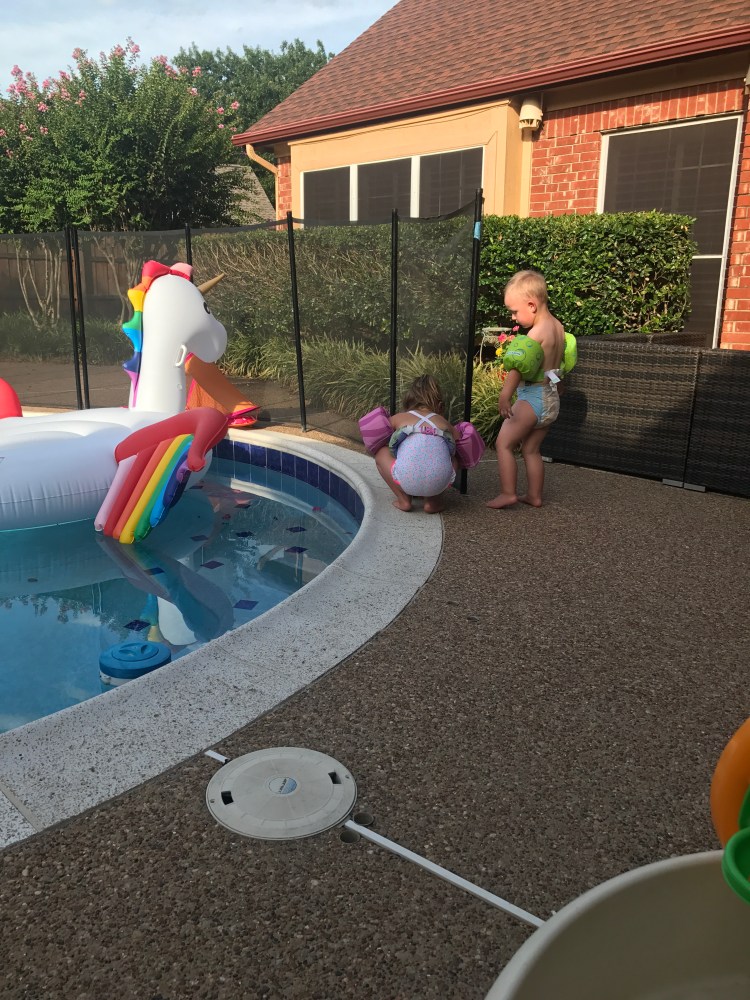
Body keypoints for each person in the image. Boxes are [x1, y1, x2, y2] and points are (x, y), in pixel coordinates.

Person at [486, 270, 565, 510]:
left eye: (514, 311)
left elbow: (518, 368)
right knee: (531, 449)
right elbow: (557, 366)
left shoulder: (536, 333)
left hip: (532, 398)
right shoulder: (558, 327)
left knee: (503, 444)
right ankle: (534, 496)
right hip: (550, 399)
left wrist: (505, 396)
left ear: (532, 305)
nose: (513, 317)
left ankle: (508, 493)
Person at [375, 374, 460, 514]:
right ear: (440, 406)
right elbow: (459, 441)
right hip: (438, 482)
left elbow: (380, 437)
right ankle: (433, 502)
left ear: (408, 402)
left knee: (381, 453)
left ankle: (403, 500)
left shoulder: (399, 418)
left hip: (406, 480)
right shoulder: (444, 422)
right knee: (455, 458)